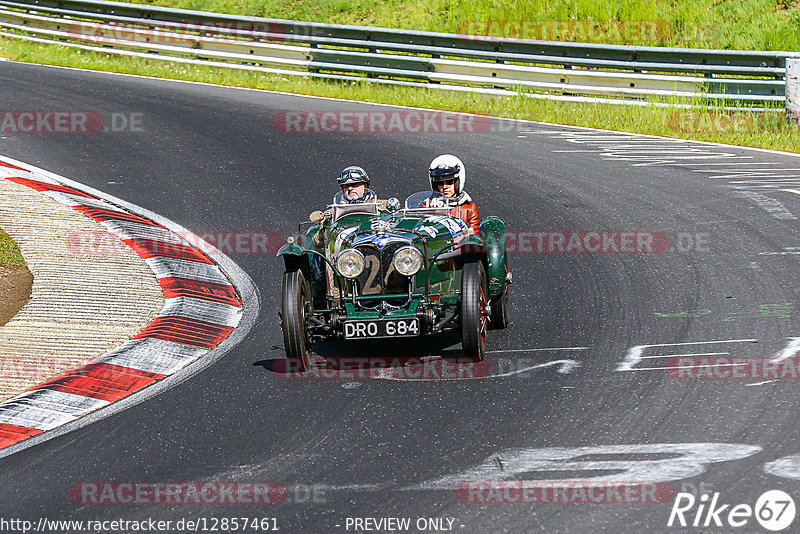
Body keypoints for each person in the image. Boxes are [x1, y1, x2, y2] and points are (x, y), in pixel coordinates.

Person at [428, 154, 480, 235]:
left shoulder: (469, 209)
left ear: (457, 182)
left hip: (460, 246)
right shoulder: (428, 205)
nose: (445, 187)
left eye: (449, 182)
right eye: (440, 183)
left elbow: (473, 240)